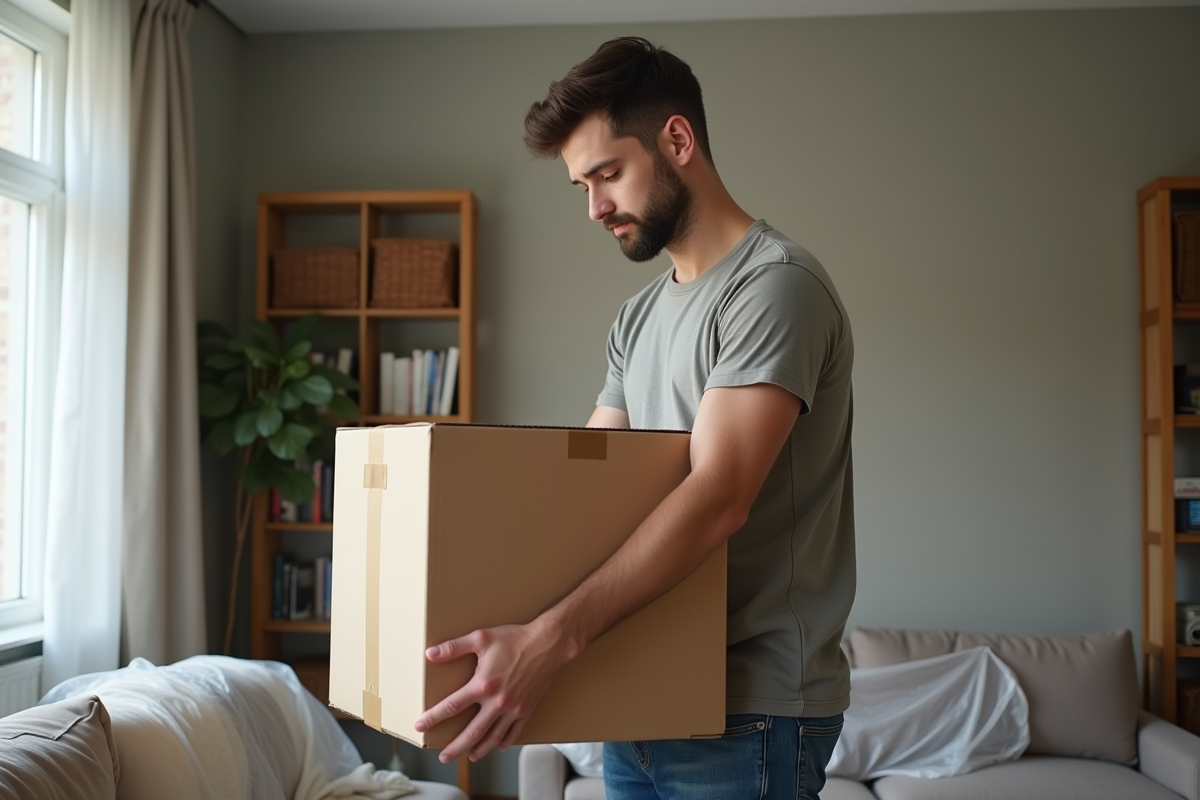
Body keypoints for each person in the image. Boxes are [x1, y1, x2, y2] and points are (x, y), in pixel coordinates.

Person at [414, 36, 856, 800]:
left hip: (745, 711)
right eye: (582, 186)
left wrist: (548, 642)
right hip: (643, 694)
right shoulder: (638, 317)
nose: (595, 208)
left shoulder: (775, 289)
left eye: (608, 174)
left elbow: (719, 494)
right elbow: (588, 484)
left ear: (677, 140)